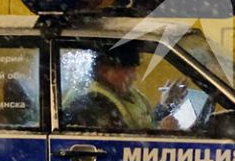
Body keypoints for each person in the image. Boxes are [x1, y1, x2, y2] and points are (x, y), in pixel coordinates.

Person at [62, 42, 191, 133]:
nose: (134, 77)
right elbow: (123, 149)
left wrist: (165, 106)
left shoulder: (125, 93)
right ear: (105, 71)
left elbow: (142, 124)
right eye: (128, 72)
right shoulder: (92, 102)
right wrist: (162, 133)